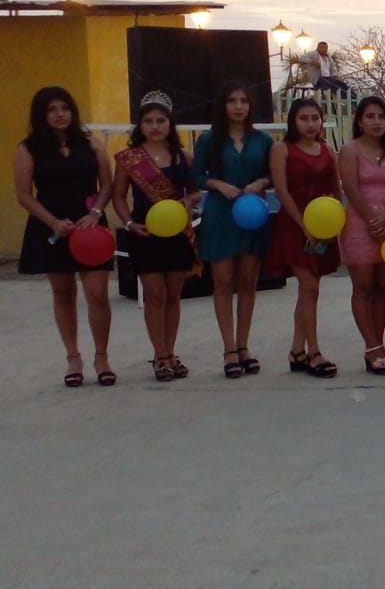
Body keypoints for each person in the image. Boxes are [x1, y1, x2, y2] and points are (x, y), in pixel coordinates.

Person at [14, 86, 117, 387]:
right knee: (63, 292)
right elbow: (24, 195)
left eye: (65, 108)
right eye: (52, 109)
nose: (60, 114)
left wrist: (95, 213)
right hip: (52, 227)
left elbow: (107, 185)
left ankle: (102, 357)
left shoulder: (91, 144)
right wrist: (53, 222)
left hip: (90, 227)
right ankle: (73, 358)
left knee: (97, 293)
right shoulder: (28, 149)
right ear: (41, 115)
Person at [110, 91, 199, 382]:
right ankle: (159, 355)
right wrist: (128, 223)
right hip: (145, 233)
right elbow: (118, 196)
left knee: (173, 295)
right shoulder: (130, 159)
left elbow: (195, 191)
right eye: (148, 121)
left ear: (170, 123)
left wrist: (188, 201)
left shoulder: (183, 156)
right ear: (140, 125)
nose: (155, 126)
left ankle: (171, 353)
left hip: (176, 233)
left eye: (161, 120)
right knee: (153, 294)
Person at [193, 82, 273, 378]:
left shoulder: (263, 140)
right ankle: (228, 349)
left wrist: (261, 182)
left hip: (253, 213)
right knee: (223, 281)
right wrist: (218, 184)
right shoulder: (208, 139)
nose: (238, 106)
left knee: (248, 281)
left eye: (243, 101)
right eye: (232, 101)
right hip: (220, 213)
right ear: (222, 105)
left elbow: (272, 174)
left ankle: (243, 346)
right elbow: (196, 176)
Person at [265, 98, 342, 378]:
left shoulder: (328, 149)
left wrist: (332, 223)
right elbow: (282, 192)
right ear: (293, 121)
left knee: (309, 290)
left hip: (323, 226)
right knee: (309, 287)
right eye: (304, 118)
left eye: (315, 118)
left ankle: (297, 350)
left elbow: (336, 189)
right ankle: (314, 352)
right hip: (293, 225)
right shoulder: (281, 149)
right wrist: (304, 225)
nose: (310, 124)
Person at [339, 96, 385, 375]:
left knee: (383, 285)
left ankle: (379, 346)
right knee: (363, 286)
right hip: (359, 225)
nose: (377, 122)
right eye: (370, 116)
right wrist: (370, 219)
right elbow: (350, 188)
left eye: (381, 117)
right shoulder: (350, 150)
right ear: (359, 122)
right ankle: (371, 348)